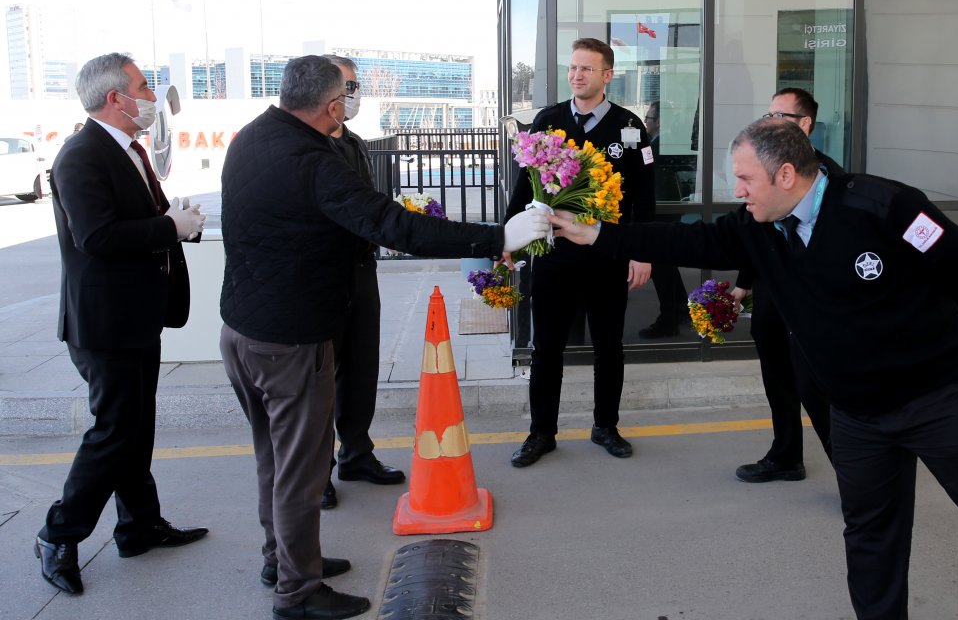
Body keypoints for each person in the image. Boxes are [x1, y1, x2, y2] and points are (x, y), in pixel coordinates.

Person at [550, 118, 958, 620]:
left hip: (941, 399)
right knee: (871, 537)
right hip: (856, 414)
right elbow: (685, 241)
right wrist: (595, 233)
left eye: (745, 178)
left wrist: (917, 336)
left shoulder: (882, 205)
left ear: (785, 175)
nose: (738, 190)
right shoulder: (759, 227)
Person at [219, 55, 548, 620]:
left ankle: (285, 560)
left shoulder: (252, 136)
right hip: (291, 339)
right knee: (301, 472)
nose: (351, 101)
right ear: (330, 106)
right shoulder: (312, 159)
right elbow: (394, 225)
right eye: (347, 93)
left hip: (242, 329)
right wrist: (498, 236)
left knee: (273, 458)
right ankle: (297, 593)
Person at [37, 52, 209, 595]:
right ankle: (58, 535)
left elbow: (136, 222)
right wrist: (168, 228)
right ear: (116, 98)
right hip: (104, 324)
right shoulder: (81, 156)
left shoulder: (128, 149)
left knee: (137, 428)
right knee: (114, 432)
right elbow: (97, 237)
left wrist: (176, 225)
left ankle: (139, 526)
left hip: (138, 316)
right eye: (143, 86)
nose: (151, 96)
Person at [504, 37, 656, 468]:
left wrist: (641, 252)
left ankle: (606, 426)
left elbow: (644, 198)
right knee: (547, 347)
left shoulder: (630, 127)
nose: (576, 75)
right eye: (572, 67)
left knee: (609, 346)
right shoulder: (547, 120)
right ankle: (541, 432)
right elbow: (523, 187)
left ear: (607, 75)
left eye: (586, 69)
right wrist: (507, 240)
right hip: (554, 254)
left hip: (608, 255)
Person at [730, 87, 834, 483]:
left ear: (805, 124)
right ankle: (786, 455)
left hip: (810, 302)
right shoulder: (764, 168)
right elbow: (752, 230)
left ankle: (855, 474)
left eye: (780, 116)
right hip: (772, 295)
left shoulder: (828, 176)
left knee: (814, 387)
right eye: (768, 115)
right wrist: (743, 284)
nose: (769, 122)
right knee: (777, 379)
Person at [317, 54, 404, 512]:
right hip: (324, 275)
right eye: (347, 86)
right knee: (320, 376)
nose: (353, 96)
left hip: (361, 269)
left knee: (361, 364)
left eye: (355, 87)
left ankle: (356, 453)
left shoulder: (355, 144)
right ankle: (318, 471)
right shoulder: (308, 148)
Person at [637, 100, 689, 339]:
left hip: (663, 209)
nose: (646, 122)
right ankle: (679, 309)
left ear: (658, 122)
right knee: (666, 264)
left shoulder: (661, 144)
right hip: (666, 207)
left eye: (648, 118)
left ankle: (669, 318)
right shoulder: (658, 141)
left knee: (660, 264)